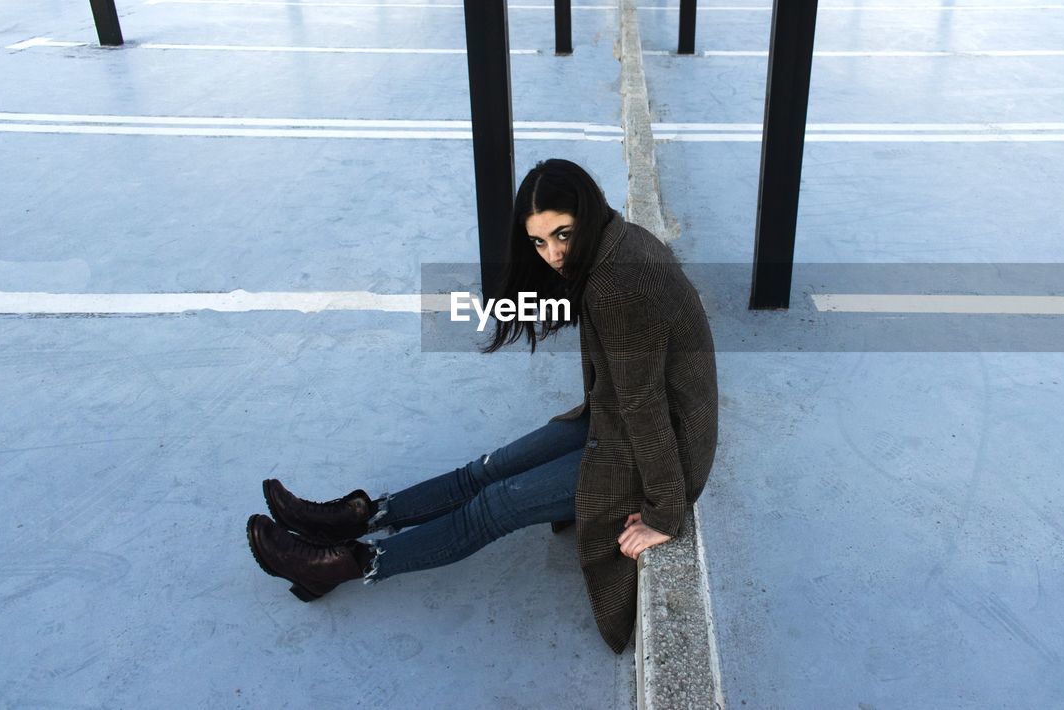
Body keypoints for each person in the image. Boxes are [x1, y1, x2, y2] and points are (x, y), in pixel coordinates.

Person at [246, 158, 718, 654]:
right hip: (616, 415)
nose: (553, 254)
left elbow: (645, 408)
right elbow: (629, 393)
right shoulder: (612, 243)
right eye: (538, 241)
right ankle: (358, 517)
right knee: (487, 469)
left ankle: (349, 563)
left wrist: (665, 513)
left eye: (562, 234)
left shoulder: (620, 282)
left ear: (588, 212)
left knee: (495, 505)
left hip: (662, 445)